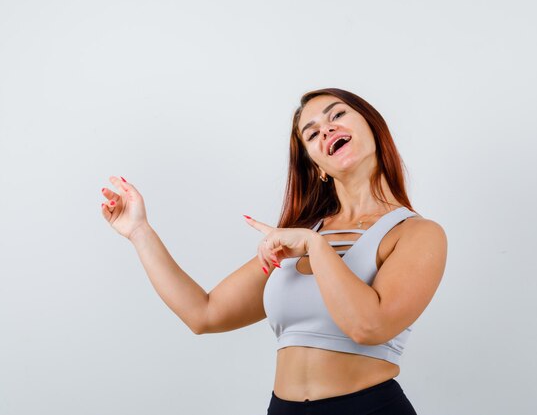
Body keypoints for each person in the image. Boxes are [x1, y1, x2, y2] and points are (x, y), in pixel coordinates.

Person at [100, 88, 447, 414]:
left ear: (372, 126)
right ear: (316, 167)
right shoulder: (300, 236)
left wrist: (315, 246)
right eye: (311, 134)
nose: (326, 131)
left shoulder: (416, 233)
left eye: (336, 115)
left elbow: (368, 327)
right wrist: (139, 231)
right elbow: (203, 314)